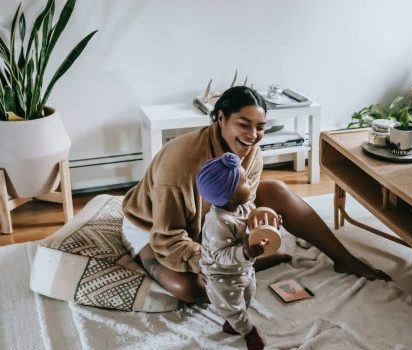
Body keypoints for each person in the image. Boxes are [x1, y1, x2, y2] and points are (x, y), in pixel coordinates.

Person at [122, 86, 389, 305]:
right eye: (244, 124)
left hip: (213, 222)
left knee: (276, 191)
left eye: (260, 126)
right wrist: (202, 262)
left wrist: (260, 217)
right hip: (154, 228)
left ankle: (345, 260)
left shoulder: (251, 151)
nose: (253, 135)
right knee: (192, 290)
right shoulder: (180, 162)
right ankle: (244, 264)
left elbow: (243, 206)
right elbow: (166, 235)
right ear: (220, 118)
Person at [196, 152, 268, 350]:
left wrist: (269, 221)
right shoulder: (217, 223)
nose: (250, 181)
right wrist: (245, 252)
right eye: (245, 181)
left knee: (248, 296)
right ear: (229, 195)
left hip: (242, 269)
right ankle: (248, 332)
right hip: (221, 275)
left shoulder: (243, 205)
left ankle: (232, 322)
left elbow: (254, 219)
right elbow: (221, 254)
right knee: (234, 307)